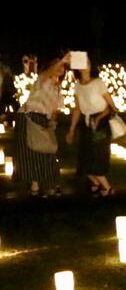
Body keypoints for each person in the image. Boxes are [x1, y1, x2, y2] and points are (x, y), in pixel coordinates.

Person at [14, 53, 68, 196]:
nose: (60, 68)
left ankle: (48, 183)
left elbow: (55, 109)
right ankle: (36, 185)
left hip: (42, 119)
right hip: (29, 117)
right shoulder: (42, 79)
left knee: (45, 149)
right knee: (31, 152)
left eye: (63, 67)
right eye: (58, 66)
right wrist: (63, 59)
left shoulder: (58, 88)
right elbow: (48, 72)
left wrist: (52, 123)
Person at [67, 61, 118, 196]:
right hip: (86, 122)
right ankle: (96, 183)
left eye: (87, 63)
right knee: (84, 156)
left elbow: (112, 106)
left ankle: (107, 188)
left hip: (100, 123)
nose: (84, 66)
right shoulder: (77, 85)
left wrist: (100, 117)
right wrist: (71, 129)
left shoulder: (98, 83)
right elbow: (77, 108)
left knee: (98, 155)